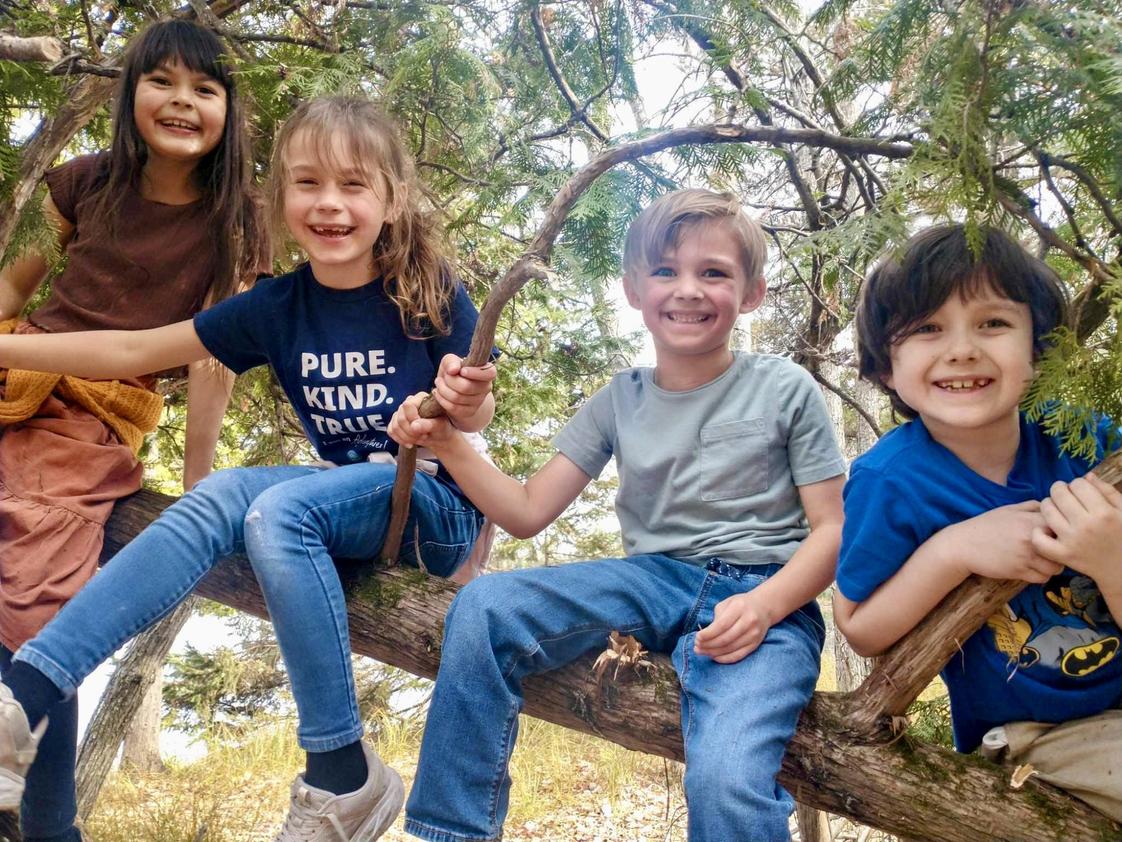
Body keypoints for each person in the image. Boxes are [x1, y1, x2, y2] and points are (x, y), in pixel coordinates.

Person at [0, 95, 497, 841]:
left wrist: (459, 404)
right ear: (280, 198)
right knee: (220, 494)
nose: (329, 204)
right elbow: (133, 351)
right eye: (307, 183)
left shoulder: (425, 291)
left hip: (430, 507)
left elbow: (476, 412)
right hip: (344, 501)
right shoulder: (275, 307)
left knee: (276, 511)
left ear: (392, 200)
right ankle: (23, 700)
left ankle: (338, 771)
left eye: (353, 185)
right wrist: (6, 348)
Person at [389, 188, 848, 842]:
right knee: (486, 608)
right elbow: (525, 511)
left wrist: (770, 605)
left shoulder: (783, 389)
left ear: (751, 294)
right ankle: (450, 831)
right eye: (666, 271)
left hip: (763, 596)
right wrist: (448, 444)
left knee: (725, 780)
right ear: (634, 289)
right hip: (652, 582)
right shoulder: (618, 400)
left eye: (713, 272)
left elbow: (832, 530)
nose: (687, 289)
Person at [0, 19, 267, 841]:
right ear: (131, 92)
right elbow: (11, 296)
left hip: (93, 410)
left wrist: (196, 492)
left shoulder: (237, 220)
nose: (181, 100)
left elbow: (211, 360)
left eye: (205, 87)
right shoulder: (83, 183)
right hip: (15, 369)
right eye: (163, 81)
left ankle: (44, 824)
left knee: (34, 580)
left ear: (229, 110)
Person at [833, 224, 1122, 820]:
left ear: (1038, 349)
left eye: (993, 322)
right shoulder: (892, 480)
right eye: (927, 329)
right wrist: (953, 551)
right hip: (1032, 738)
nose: (962, 349)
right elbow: (859, 626)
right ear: (887, 366)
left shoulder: (1084, 441)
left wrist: (1110, 559)